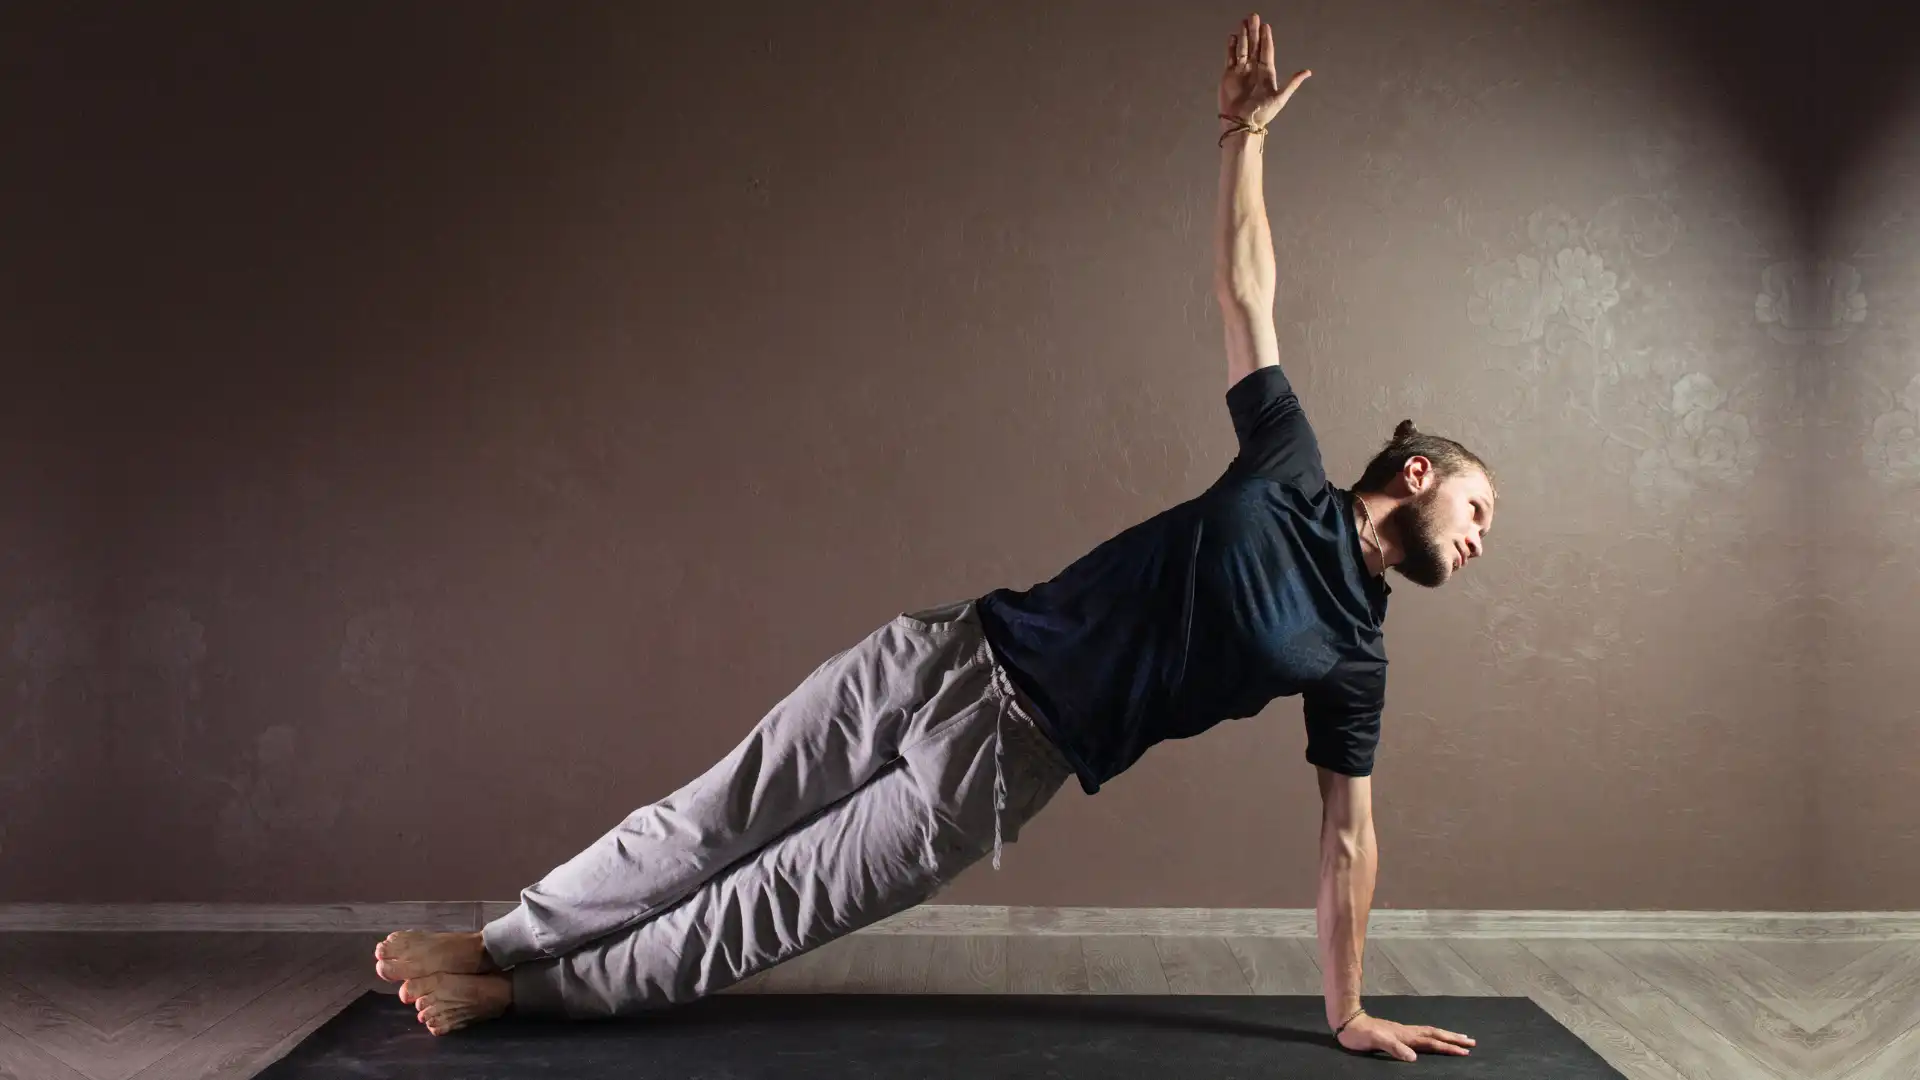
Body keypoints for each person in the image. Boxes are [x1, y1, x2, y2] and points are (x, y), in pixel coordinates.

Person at [373, 11, 1490, 1064]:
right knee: (704, 817)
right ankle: (504, 941)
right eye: (1479, 511)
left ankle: (529, 993)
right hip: (944, 649)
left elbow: (1351, 837)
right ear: (1417, 473)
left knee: (764, 906)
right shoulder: (1287, 456)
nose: (1482, 540)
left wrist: (1345, 1008)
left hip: (1006, 761)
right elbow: (1247, 290)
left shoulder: (1357, 654)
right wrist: (1239, 136)